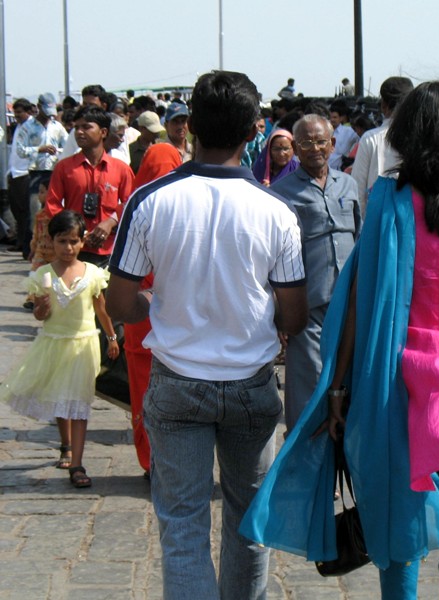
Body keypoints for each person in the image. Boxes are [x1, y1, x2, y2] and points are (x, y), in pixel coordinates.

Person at [241, 81, 439, 599]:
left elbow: (358, 303)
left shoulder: (391, 202)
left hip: (398, 383)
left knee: (398, 513)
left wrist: (337, 390)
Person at [105, 70, 308, 600]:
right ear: (255, 130)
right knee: (248, 526)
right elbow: (294, 314)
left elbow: (120, 302)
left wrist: (156, 302)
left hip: (176, 383)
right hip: (251, 384)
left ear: (189, 125)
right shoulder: (277, 211)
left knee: (183, 525)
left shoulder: (149, 201)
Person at [0, 210, 120, 487]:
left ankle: (77, 463)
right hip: (54, 342)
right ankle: (65, 444)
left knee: (78, 402)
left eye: (74, 241)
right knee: (60, 395)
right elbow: (41, 316)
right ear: (51, 241)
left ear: (82, 242)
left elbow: (101, 310)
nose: (68, 247)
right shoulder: (43, 274)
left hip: (84, 343)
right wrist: (41, 307)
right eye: (62, 241)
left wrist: (112, 338)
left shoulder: (92, 274)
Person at [272, 114, 361, 433]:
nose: (315, 149)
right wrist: (279, 313)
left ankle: (341, 469)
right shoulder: (281, 193)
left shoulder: (348, 185)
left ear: (333, 144)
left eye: (321, 141)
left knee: (350, 389)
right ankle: (306, 474)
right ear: (295, 148)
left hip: (351, 305)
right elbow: (275, 257)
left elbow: (360, 238)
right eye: (306, 143)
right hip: (308, 309)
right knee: (309, 393)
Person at [123, 143, 182, 477]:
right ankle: (154, 460)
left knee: (149, 391)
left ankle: (157, 461)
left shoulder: (139, 206)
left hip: (151, 313)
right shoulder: (168, 204)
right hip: (158, 315)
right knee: (148, 390)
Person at [46, 106, 134, 267]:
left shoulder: (121, 169)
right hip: (74, 251)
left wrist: (110, 222)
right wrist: (74, 232)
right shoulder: (64, 168)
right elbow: (52, 204)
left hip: (110, 249)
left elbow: (131, 204)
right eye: (77, 127)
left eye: (86, 127)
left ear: (103, 132)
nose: (79, 132)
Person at [15, 93, 68, 254]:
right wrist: (39, 149)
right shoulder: (27, 127)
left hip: (53, 172)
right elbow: (20, 150)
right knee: (35, 211)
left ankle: (51, 246)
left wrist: (56, 152)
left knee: (53, 211)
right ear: (38, 107)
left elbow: (67, 148)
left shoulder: (57, 127)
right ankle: (30, 248)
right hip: (35, 173)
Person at [352, 76, 413, 215]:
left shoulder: (371, 138)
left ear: (383, 106)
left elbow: (358, 188)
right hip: (413, 222)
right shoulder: (423, 136)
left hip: (377, 219)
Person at [23, 175, 55, 310]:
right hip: (41, 251)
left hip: (55, 254)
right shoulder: (39, 215)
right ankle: (32, 299)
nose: (39, 195)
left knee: (53, 278)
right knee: (35, 275)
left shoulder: (57, 215)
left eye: (42, 192)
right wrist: (33, 249)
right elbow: (36, 235)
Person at [6, 98, 33, 255]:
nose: (16, 115)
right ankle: (20, 241)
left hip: (25, 173)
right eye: (15, 113)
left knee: (25, 211)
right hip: (15, 172)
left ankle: (24, 244)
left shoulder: (32, 127)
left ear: (28, 112)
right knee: (17, 210)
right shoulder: (19, 126)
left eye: (19, 112)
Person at [328, 100, 359, 170]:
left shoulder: (348, 131)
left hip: (339, 170)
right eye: (330, 117)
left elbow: (361, 139)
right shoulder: (325, 131)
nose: (332, 120)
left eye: (335, 117)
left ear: (341, 118)